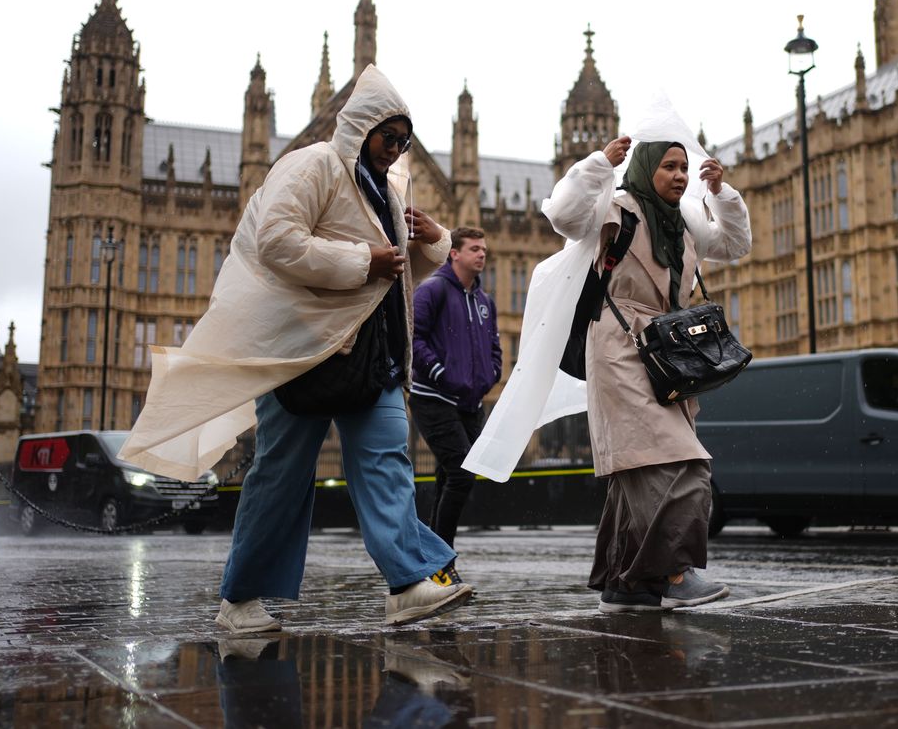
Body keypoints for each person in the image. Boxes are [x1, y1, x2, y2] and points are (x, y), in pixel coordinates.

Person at [120, 65, 473, 631]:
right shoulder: (311, 165)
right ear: (361, 128)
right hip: (305, 354)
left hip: (373, 355)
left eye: (405, 142)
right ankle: (240, 600)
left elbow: (394, 272)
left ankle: (408, 582)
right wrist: (364, 259)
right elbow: (277, 241)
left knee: (388, 463)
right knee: (281, 474)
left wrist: (436, 241)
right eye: (390, 138)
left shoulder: (384, 189)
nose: (397, 151)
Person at [544, 130, 751, 613]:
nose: (680, 176)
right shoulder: (614, 209)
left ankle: (626, 584)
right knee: (679, 463)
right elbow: (562, 214)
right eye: (669, 167)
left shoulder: (684, 223)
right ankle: (673, 573)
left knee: (636, 470)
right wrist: (599, 163)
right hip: (618, 345)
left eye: (684, 169)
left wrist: (722, 196)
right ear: (645, 169)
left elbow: (735, 244)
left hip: (668, 351)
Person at [410, 227, 502, 552]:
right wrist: (439, 372)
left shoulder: (484, 300)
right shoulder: (432, 290)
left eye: (484, 250)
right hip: (434, 397)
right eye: (474, 248)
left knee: (450, 478)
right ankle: (441, 558)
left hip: (470, 401)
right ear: (454, 253)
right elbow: (413, 336)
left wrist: (493, 373)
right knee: (461, 475)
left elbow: (493, 344)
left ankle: (436, 564)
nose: (481, 254)